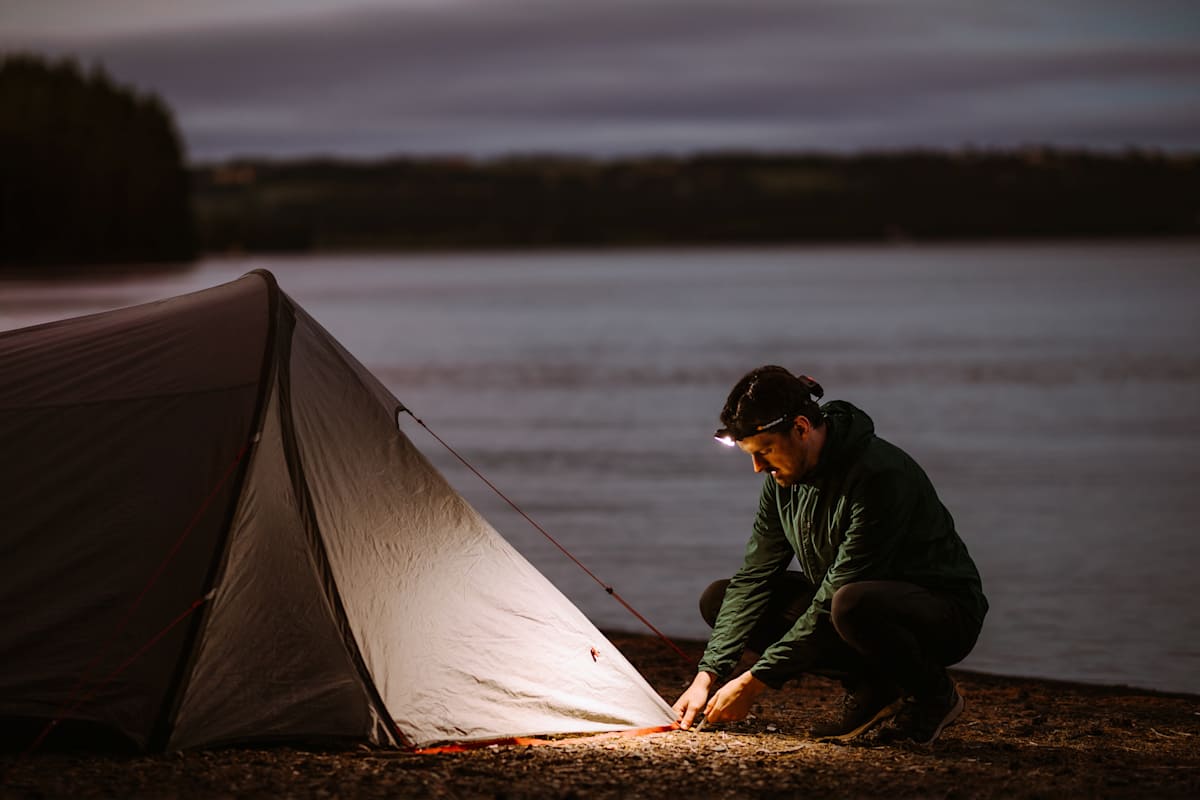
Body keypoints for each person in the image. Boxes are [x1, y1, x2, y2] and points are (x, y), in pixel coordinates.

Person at [673, 366, 987, 745]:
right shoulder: (782, 481)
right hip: (851, 604)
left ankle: (933, 696)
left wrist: (753, 683)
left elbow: (835, 596)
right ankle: (873, 688)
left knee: (850, 604)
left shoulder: (879, 476)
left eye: (766, 451)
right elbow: (755, 577)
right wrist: (707, 675)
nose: (759, 468)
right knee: (720, 599)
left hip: (942, 614)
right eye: (752, 456)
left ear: (802, 428)